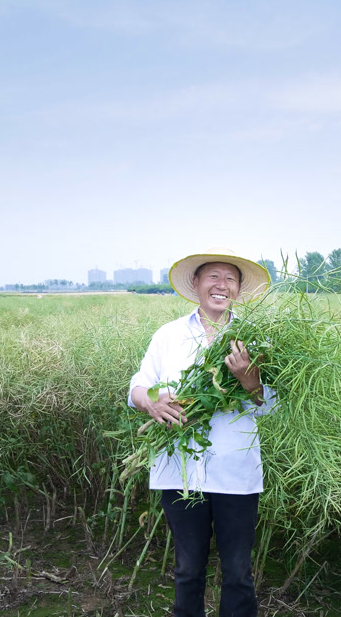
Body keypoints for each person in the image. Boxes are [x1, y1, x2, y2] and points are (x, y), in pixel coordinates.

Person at [128, 246, 275, 617]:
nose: (221, 285)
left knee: (238, 572)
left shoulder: (256, 339)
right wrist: (153, 402)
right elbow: (137, 389)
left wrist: (249, 380)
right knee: (188, 569)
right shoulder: (168, 335)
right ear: (196, 284)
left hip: (236, 472)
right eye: (213, 276)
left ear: (239, 289)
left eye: (230, 278)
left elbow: (272, 406)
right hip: (178, 470)